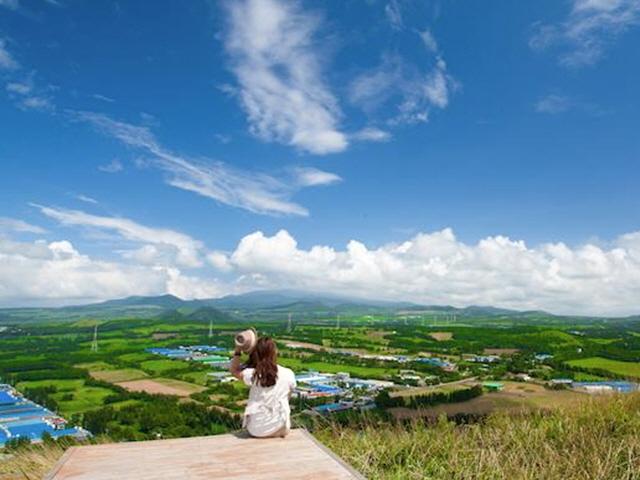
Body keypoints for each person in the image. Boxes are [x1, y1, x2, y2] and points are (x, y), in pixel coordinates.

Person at [230, 336, 296, 438]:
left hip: (256, 430)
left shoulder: (253, 374)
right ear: (274, 352)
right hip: (282, 428)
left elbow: (234, 371)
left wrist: (238, 350)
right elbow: (288, 396)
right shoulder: (288, 373)